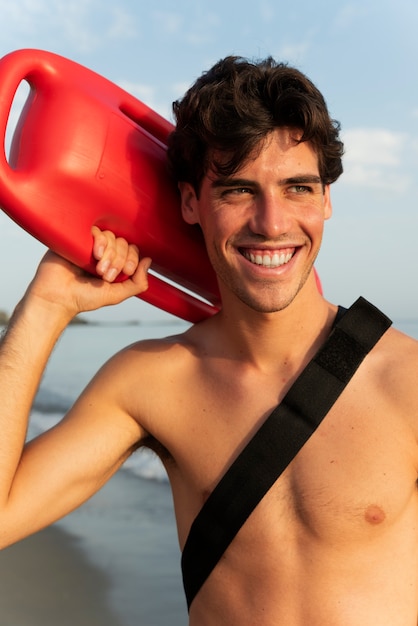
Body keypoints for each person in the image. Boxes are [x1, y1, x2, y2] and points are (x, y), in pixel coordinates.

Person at [1, 55, 418, 626]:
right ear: (191, 203)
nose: (272, 223)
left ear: (325, 201)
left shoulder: (408, 378)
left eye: (298, 188)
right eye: (239, 191)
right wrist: (46, 307)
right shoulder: (150, 383)